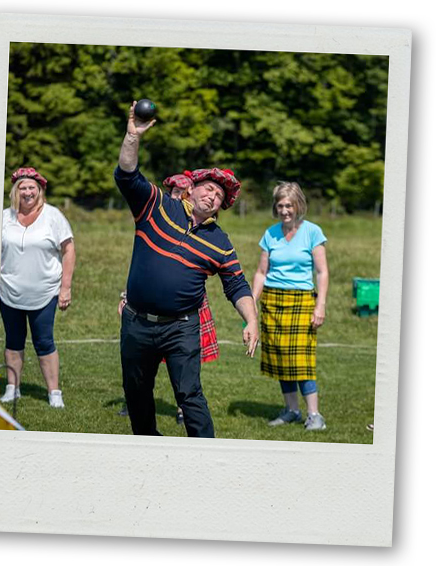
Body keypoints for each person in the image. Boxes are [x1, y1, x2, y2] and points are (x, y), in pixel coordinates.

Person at [115, 101, 258, 438]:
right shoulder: (156, 206)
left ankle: (204, 458)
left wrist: (251, 319)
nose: (212, 196)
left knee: (190, 396)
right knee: (136, 394)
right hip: (136, 321)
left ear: (221, 208)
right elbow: (127, 175)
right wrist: (132, 136)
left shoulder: (220, 241)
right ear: (191, 188)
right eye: (208, 188)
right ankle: (147, 447)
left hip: (181, 328)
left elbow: (236, 285)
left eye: (219, 196)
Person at [117, 174, 220, 425]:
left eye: (180, 191)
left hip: (185, 306)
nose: (175, 195)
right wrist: (129, 296)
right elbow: (149, 264)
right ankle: (136, 402)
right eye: (172, 191)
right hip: (146, 309)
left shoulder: (205, 223)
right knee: (142, 367)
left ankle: (184, 408)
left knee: (184, 366)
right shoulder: (162, 212)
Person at [252, 182, 329, 431]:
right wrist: (252, 302)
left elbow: (322, 272)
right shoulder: (270, 234)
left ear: (298, 206)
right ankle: (292, 411)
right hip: (273, 302)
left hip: (302, 300)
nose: (285, 210)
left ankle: (314, 415)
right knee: (280, 360)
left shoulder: (312, 232)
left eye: (289, 205)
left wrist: (320, 306)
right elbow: (262, 272)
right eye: (281, 205)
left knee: (302, 361)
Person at [0, 167, 76, 408]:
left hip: (45, 293)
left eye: (32, 187)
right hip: (8, 291)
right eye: (22, 187)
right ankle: (13, 388)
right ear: (15, 191)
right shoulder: (3, 217)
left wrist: (66, 288)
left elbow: (69, 250)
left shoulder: (53, 216)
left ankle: (54, 393)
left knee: (44, 341)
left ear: (39, 190)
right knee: (13, 340)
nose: (27, 192)